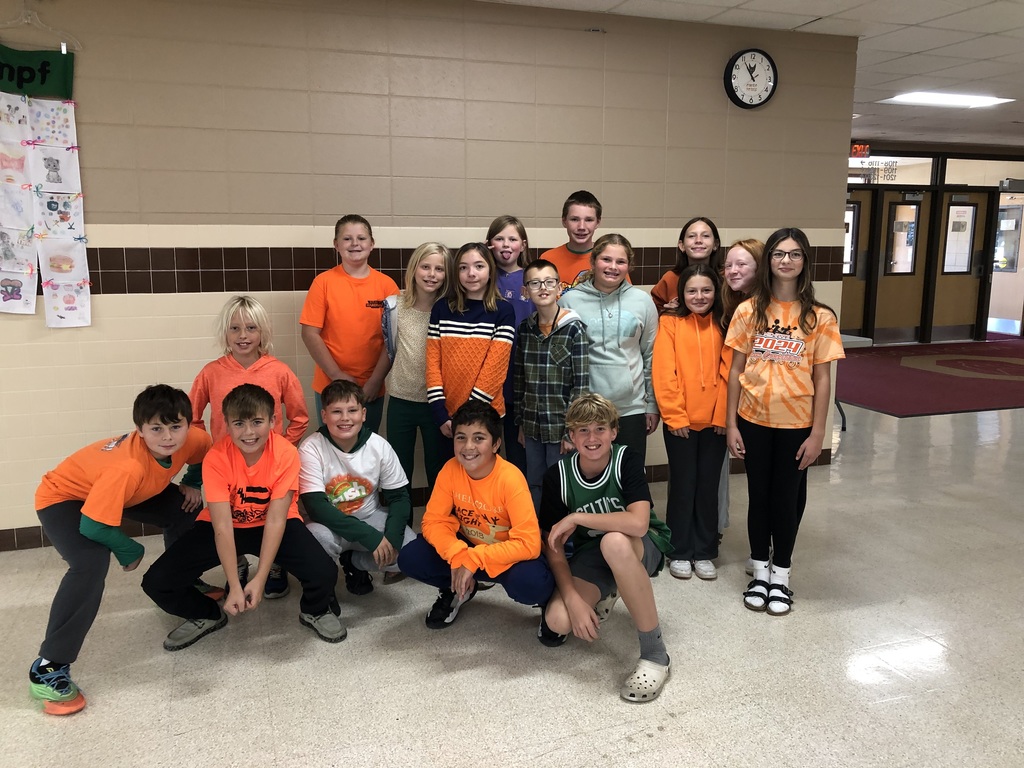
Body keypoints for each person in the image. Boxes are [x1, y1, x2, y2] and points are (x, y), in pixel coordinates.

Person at [28, 384, 211, 715]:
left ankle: (183, 581)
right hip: (67, 499)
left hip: (129, 492)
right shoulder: (126, 467)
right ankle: (48, 666)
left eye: (175, 426)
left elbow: (202, 457)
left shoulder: (195, 438)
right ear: (139, 430)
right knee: (90, 561)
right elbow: (93, 526)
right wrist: (130, 551)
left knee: (188, 507)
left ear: (188, 423)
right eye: (156, 428)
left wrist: (194, 484)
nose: (168, 436)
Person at [142, 384, 345, 650]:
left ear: (272, 421)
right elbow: (223, 527)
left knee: (324, 572)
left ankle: (315, 610)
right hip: (227, 525)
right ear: (226, 424)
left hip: (272, 522)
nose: (248, 433)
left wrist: (259, 578)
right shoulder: (216, 457)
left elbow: (275, 520)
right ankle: (205, 614)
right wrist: (235, 585)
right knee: (157, 582)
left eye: (257, 422)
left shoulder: (285, 453)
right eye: (239, 423)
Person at [726, 227, 844, 616]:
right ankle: (759, 571)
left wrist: (818, 434)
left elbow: (824, 378)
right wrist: (731, 425)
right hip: (754, 420)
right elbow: (735, 370)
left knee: (786, 501)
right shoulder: (749, 311)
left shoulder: (820, 317)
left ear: (805, 261)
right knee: (758, 496)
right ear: (769, 261)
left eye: (794, 254)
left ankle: (782, 575)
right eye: (779, 253)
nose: (786, 261)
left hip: (797, 425)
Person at [537, 393, 673, 703]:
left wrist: (577, 515)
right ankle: (611, 588)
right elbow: (553, 546)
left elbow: (638, 523)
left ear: (614, 432)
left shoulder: (627, 459)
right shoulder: (557, 476)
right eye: (582, 430)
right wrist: (571, 598)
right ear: (571, 436)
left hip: (642, 545)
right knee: (558, 620)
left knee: (614, 541)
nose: (592, 437)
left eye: (600, 428)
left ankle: (655, 655)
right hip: (594, 552)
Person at [190, 294, 309, 599]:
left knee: (274, 515)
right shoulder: (211, 372)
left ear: (262, 333)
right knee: (228, 519)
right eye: (234, 329)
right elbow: (192, 419)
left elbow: (299, 417)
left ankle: (275, 566)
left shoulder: (279, 371)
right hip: (226, 470)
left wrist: (281, 449)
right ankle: (238, 563)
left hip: (269, 469)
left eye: (251, 328)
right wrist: (210, 453)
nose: (243, 336)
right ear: (224, 333)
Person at [398, 401, 553, 629]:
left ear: (495, 444)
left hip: (505, 557)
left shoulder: (510, 478)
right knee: (411, 557)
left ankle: (550, 608)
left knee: (532, 584)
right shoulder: (450, 469)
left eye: (479, 438)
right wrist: (457, 554)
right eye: (461, 437)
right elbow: (433, 521)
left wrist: (475, 558)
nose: (468, 446)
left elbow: (529, 544)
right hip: (466, 550)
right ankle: (457, 590)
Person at [653, 264, 731, 581]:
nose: (699, 296)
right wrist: (674, 416)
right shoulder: (671, 323)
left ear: (716, 292)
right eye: (692, 290)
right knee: (684, 486)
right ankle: (680, 550)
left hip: (716, 424)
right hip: (681, 424)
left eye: (706, 290)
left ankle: (705, 550)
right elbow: (664, 372)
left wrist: (724, 415)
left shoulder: (725, 324)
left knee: (708, 487)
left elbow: (730, 374)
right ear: (682, 293)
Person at [302, 380, 416, 596]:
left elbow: (400, 498)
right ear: (324, 415)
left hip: (369, 516)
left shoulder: (379, 445)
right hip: (328, 525)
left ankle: (355, 563)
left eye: (352, 410)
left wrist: (389, 541)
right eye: (337, 411)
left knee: (411, 554)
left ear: (363, 414)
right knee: (315, 539)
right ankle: (323, 589)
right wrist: (371, 538)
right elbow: (316, 507)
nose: (345, 418)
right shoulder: (311, 448)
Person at [558, 233, 659, 464]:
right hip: (586, 409)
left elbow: (650, 354)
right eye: (606, 260)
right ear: (593, 262)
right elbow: (563, 363)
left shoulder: (642, 301)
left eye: (620, 262)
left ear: (629, 266)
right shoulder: (569, 301)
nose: (613, 267)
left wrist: (651, 404)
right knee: (590, 477)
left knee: (629, 476)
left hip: (631, 408)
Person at [300, 214, 398, 433]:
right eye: (347, 239)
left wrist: (375, 380)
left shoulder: (386, 286)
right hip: (330, 383)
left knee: (365, 448)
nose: (355, 244)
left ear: (372, 244)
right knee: (332, 448)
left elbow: (391, 341)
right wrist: (336, 375)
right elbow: (309, 334)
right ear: (336, 245)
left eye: (362, 238)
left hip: (370, 387)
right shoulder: (323, 283)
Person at [426, 242, 516, 461]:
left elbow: (494, 369)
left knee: (483, 478)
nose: (471, 273)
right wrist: (440, 412)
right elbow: (432, 362)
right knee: (449, 477)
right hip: (446, 416)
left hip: (486, 414)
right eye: (463, 267)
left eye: (478, 266)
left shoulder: (503, 311)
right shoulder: (442, 308)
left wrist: (466, 418)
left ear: (490, 270)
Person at [513, 258, 590, 510]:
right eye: (534, 283)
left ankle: (564, 543)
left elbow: (581, 387)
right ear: (526, 291)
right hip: (533, 425)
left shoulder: (574, 329)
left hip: (561, 428)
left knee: (561, 483)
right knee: (535, 482)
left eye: (548, 282)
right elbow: (520, 380)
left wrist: (572, 431)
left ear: (559, 288)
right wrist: (522, 422)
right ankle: (539, 539)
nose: (542, 288)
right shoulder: (525, 330)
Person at [382, 242, 451, 495]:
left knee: (438, 470)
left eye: (439, 269)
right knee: (398, 471)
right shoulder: (394, 307)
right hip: (401, 401)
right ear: (414, 269)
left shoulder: (450, 310)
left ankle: (438, 528)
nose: (431, 274)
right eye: (425, 267)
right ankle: (402, 528)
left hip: (437, 403)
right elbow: (389, 351)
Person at [719, 238, 764, 556]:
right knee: (758, 486)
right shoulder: (737, 307)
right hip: (749, 411)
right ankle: (761, 552)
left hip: (784, 413)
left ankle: (772, 553)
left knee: (777, 489)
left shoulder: (777, 308)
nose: (733, 271)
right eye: (728, 265)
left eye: (742, 264)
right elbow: (737, 369)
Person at [487, 214, 533, 474]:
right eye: (499, 238)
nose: (506, 244)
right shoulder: (481, 276)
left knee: (518, 455)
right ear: (489, 244)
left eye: (512, 239)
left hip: (520, 379)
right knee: (485, 449)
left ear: (523, 245)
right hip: (488, 378)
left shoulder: (531, 279)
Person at [651, 217, 722, 315]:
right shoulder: (670, 278)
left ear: (715, 244)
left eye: (705, 236)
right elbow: (652, 311)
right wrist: (666, 310)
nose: (698, 240)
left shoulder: (726, 277)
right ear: (682, 245)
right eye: (692, 236)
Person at [541, 190, 602, 293]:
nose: (581, 227)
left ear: (597, 222)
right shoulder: (547, 260)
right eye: (574, 219)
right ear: (564, 221)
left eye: (589, 220)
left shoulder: (608, 260)